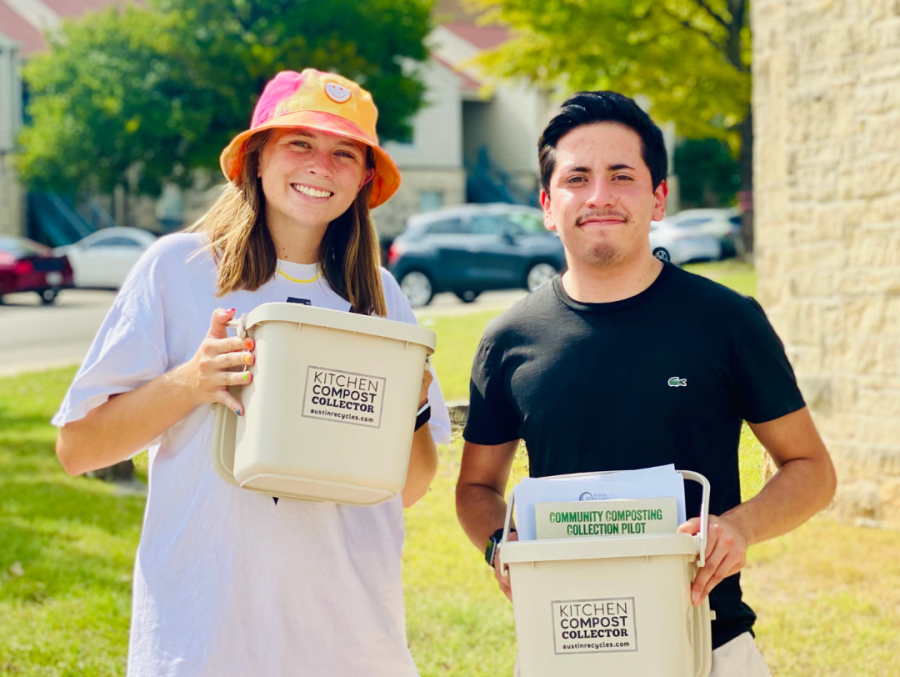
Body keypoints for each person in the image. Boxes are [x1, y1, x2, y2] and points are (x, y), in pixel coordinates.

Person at [53, 69, 451, 677]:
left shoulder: (382, 296)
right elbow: (78, 448)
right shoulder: (177, 269)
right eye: (300, 143)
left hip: (350, 640)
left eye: (345, 152)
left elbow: (412, 489)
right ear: (255, 158)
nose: (321, 165)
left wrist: (413, 410)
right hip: (207, 634)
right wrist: (191, 382)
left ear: (366, 178)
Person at [455, 91, 836, 676]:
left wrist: (738, 527)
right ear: (548, 204)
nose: (599, 196)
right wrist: (498, 547)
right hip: (564, 645)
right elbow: (476, 488)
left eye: (622, 176)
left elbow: (811, 469)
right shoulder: (508, 339)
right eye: (577, 178)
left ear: (658, 198)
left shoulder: (726, 320)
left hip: (709, 644)